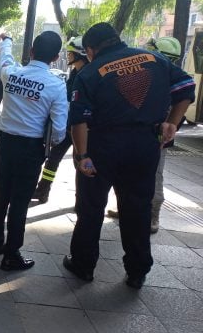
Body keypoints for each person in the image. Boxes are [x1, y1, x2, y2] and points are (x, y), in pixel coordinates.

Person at [63, 22, 195, 289]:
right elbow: (186, 86)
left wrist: (82, 155)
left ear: (90, 49)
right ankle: (137, 271)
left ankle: (84, 265)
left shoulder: (89, 73)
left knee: (90, 207)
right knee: (137, 210)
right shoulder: (155, 59)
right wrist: (172, 121)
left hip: (102, 147)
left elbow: (78, 120)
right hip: (145, 146)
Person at [0, 31, 68, 271]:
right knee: (20, 202)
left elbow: (5, 57)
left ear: (31, 51)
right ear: (55, 58)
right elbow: (59, 131)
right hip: (30, 150)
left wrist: (7, 40)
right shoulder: (56, 85)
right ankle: (11, 254)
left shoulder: (12, 73)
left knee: (1, 196)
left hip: (4, 144)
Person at [106, 36, 184, 234]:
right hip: (141, 136)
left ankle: (152, 218)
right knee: (132, 174)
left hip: (156, 137)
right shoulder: (163, 75)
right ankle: (127, 208)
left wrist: (168, 127)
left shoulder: (166, 77)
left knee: (154, 176)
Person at [31, 37, 89, 203]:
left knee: (80, 163)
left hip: (82, 128)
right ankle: (43, 190)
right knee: (53, 158)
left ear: (81, 54)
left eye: (71, 53)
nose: (68, 55)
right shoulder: (75, 73)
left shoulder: (90, 73)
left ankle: (82, 199)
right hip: (68, 126)